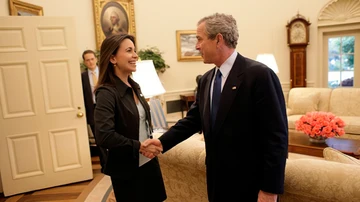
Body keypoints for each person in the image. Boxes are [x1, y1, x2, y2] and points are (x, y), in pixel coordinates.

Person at [145, 13, 288, 202]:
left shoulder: (260, 76)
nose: (197, 46)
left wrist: (270, 190)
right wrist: (162, 142)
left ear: (218, 39)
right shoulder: (206, 79)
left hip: (251, 185)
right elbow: (193, 120)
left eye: (199, 39)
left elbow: (276, 137)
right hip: (217, 182)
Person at [94, 34, 167, 202]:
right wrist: (139, 146)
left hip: (148, 163)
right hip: (127, 169)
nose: (135, 55)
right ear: (112, 58)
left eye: (134, 51)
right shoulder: (106, 93)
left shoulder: (135, 86)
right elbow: (104, 135)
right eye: (129, 51)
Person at [81, 49, 108, 173]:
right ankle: (105, 165)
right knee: (99, 139)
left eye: (92, 59)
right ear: (85, 62)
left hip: (107, 108)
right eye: (87, 60)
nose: (90, 62)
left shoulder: (105, 72)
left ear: (96, 59)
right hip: (92, 110)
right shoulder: (83, 77)